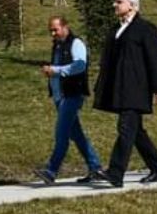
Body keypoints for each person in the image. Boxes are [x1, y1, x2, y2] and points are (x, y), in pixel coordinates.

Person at [92, 0, 157, 188]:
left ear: (132, 6)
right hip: (120, 88)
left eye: (119, 2)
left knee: (126, 128)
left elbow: (155, 61)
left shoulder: (145, 29)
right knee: (136, 131)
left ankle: (115, 173)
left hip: (137, 88)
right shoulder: (116, 30)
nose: (114, 5)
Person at [32, 15, 103, 185]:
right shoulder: (58, 45)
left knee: (61, 133)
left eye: (55, 29)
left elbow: (79, 65)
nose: (53, 34)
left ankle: (51, 171)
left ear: (65, 27)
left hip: (72, 95)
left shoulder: (76, 43)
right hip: (60, 96)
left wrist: (55, 70)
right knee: (76, 135)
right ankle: (96, 168)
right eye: (51, 30)